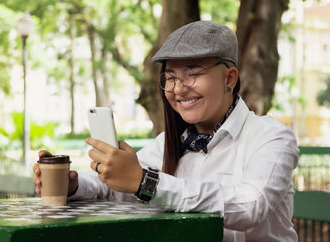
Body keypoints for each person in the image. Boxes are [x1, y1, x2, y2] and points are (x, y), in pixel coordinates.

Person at [33, 21, 299, 242]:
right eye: (170, 77)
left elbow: (250, 206)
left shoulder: (272, 137)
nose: (179, 88)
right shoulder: (168, 143)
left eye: (192, 73)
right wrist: (74, 183)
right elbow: (115, 189)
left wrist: (146, 183)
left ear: (229, 78)